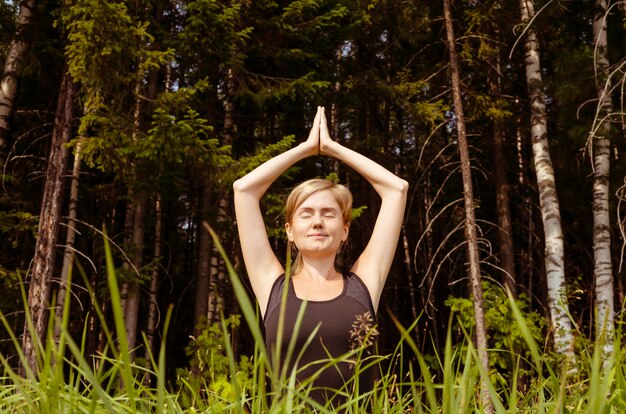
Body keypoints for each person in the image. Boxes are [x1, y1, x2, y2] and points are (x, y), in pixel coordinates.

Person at [233, 106, 408, 406]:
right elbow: (244, 190)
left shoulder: (363, 285)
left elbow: (396, 189)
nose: (317, 222)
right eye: (306, 214)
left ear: (344, 230)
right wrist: (304, 150)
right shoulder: (272, 288)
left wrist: (332, 148)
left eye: (328, 214)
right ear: (289, 230)